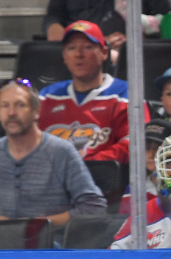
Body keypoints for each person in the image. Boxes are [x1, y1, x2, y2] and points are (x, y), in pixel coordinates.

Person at [0, 78, 106, 227]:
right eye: (4, 106)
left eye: (20, 105)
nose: (11, 113)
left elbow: (94, 208)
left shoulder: (61, 152)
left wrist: (37, 226)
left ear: (36, 111)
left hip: (49, 246)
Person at [39, 21, 149, 164]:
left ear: (104, 53)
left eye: (88, 47)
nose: (79, 54)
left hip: (103, 183)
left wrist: (85, 167)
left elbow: (135, 145)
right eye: (71, 48)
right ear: (65, 56)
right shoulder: (46, 96)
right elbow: (24, 142)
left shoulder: (126, 94)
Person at [44, 0, 171, 45]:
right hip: (83, 55)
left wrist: (135, 41)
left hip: (135, 56)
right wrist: (98, 43)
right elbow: (53, 25)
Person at [119, 118, 171, 218]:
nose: (150, 155)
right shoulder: (135, 189)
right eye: (146, 148)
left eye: (158, 149)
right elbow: (126, 225)